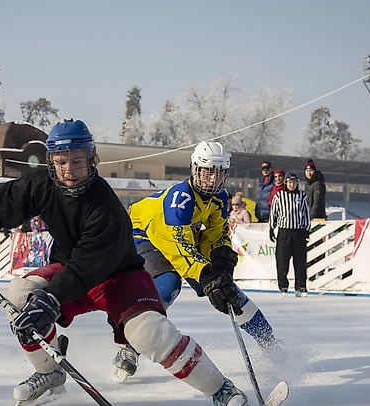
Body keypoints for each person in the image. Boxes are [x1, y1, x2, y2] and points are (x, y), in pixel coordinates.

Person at [0, 119, 255, 406]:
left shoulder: (104, 205)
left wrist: (52, 299)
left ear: (92, 159)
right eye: (61, 162)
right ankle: (49, 371)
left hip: (120, 277)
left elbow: (89, 264)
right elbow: (1, 202)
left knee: (151, 336)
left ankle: (220, 389)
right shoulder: (41, 185)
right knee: (20, 294)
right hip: (71, 272)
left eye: (77, 162)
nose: (68, 171)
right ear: (51, 161)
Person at [113, 141, 282, 382]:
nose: (213, 179)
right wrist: (208, 277)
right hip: (144, 235)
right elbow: (180, 251)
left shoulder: (221, 198)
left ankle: (269, 341)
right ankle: (131, 345)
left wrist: (221, 257)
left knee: (228, 291)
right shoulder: (180, 200)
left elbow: (217, 233)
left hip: (178, 239)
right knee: (170, 283)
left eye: (219, 172)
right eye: (207, 171)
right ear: (195, 169)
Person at [269, 173, 311, 296]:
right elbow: (274, 213)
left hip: (298, 232)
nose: (291, 185)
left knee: (300, 262)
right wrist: (271, 228)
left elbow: (306, 213)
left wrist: (306, 230)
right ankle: (283, 286)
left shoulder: (302, 196)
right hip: (284, 232)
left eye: (293, 182)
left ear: (297, 183)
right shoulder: (279, 196)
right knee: (282, 261)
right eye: (289, 182)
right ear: (286, 183)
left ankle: (301, 287)